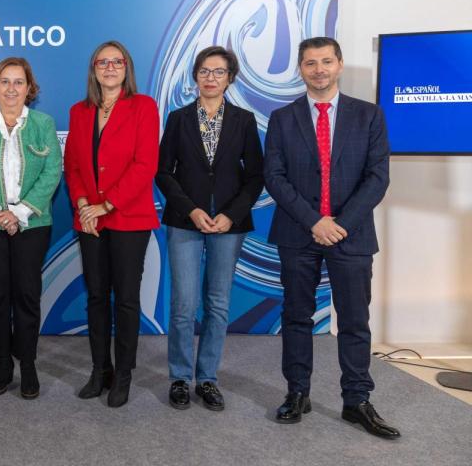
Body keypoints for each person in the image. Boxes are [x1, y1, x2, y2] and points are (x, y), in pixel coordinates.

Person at [265, 37, 398, 439]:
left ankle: (357, 400)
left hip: (351, 234)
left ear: (339, 65)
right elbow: (275, 177)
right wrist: (314, 222)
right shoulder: (282, 118)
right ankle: (298, 393)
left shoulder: (369, 115)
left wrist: (339, 223)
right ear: (301, 70)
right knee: (297, 317)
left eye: (326, 61)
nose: (318, 69)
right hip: (298, 232)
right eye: (310, 63)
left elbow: (378, 177)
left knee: (355, 322)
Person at [155, 46, 264, 411]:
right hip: (186, 221)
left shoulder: (244, 120)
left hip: (228, 225)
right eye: (204, 71)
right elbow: (163, 173)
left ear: (230, 78)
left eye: (218, 72)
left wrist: (230, 215)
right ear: (195, 76)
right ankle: (180, 378)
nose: (211, 77)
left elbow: (255, 176)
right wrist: (191, 209)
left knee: (217, 304)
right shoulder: (178, 119)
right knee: (184, 305)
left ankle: (208, 378)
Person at [64, 40, 159, 408]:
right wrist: (84, 203)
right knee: (97, 297)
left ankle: (124, 374)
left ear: (126, 67)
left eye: (116, 61)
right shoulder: (79, 111)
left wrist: (106, 203)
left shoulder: (143, 107)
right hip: (90, 220)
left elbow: (144, 165)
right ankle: (99, 369)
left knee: (127, 300)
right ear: (93, 70)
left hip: (128, 218)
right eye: (101, 62)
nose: (109, 67)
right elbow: (72, 165)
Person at [0, 57, 61, 399]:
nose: (11, 89)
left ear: (29, 89)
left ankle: (28, 364)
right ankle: (4, 362)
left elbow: (52, 172)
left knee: (27, 294)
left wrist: (18, 213)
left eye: (19, 82)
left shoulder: (43, 124)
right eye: (5, 82)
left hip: (32, 223)